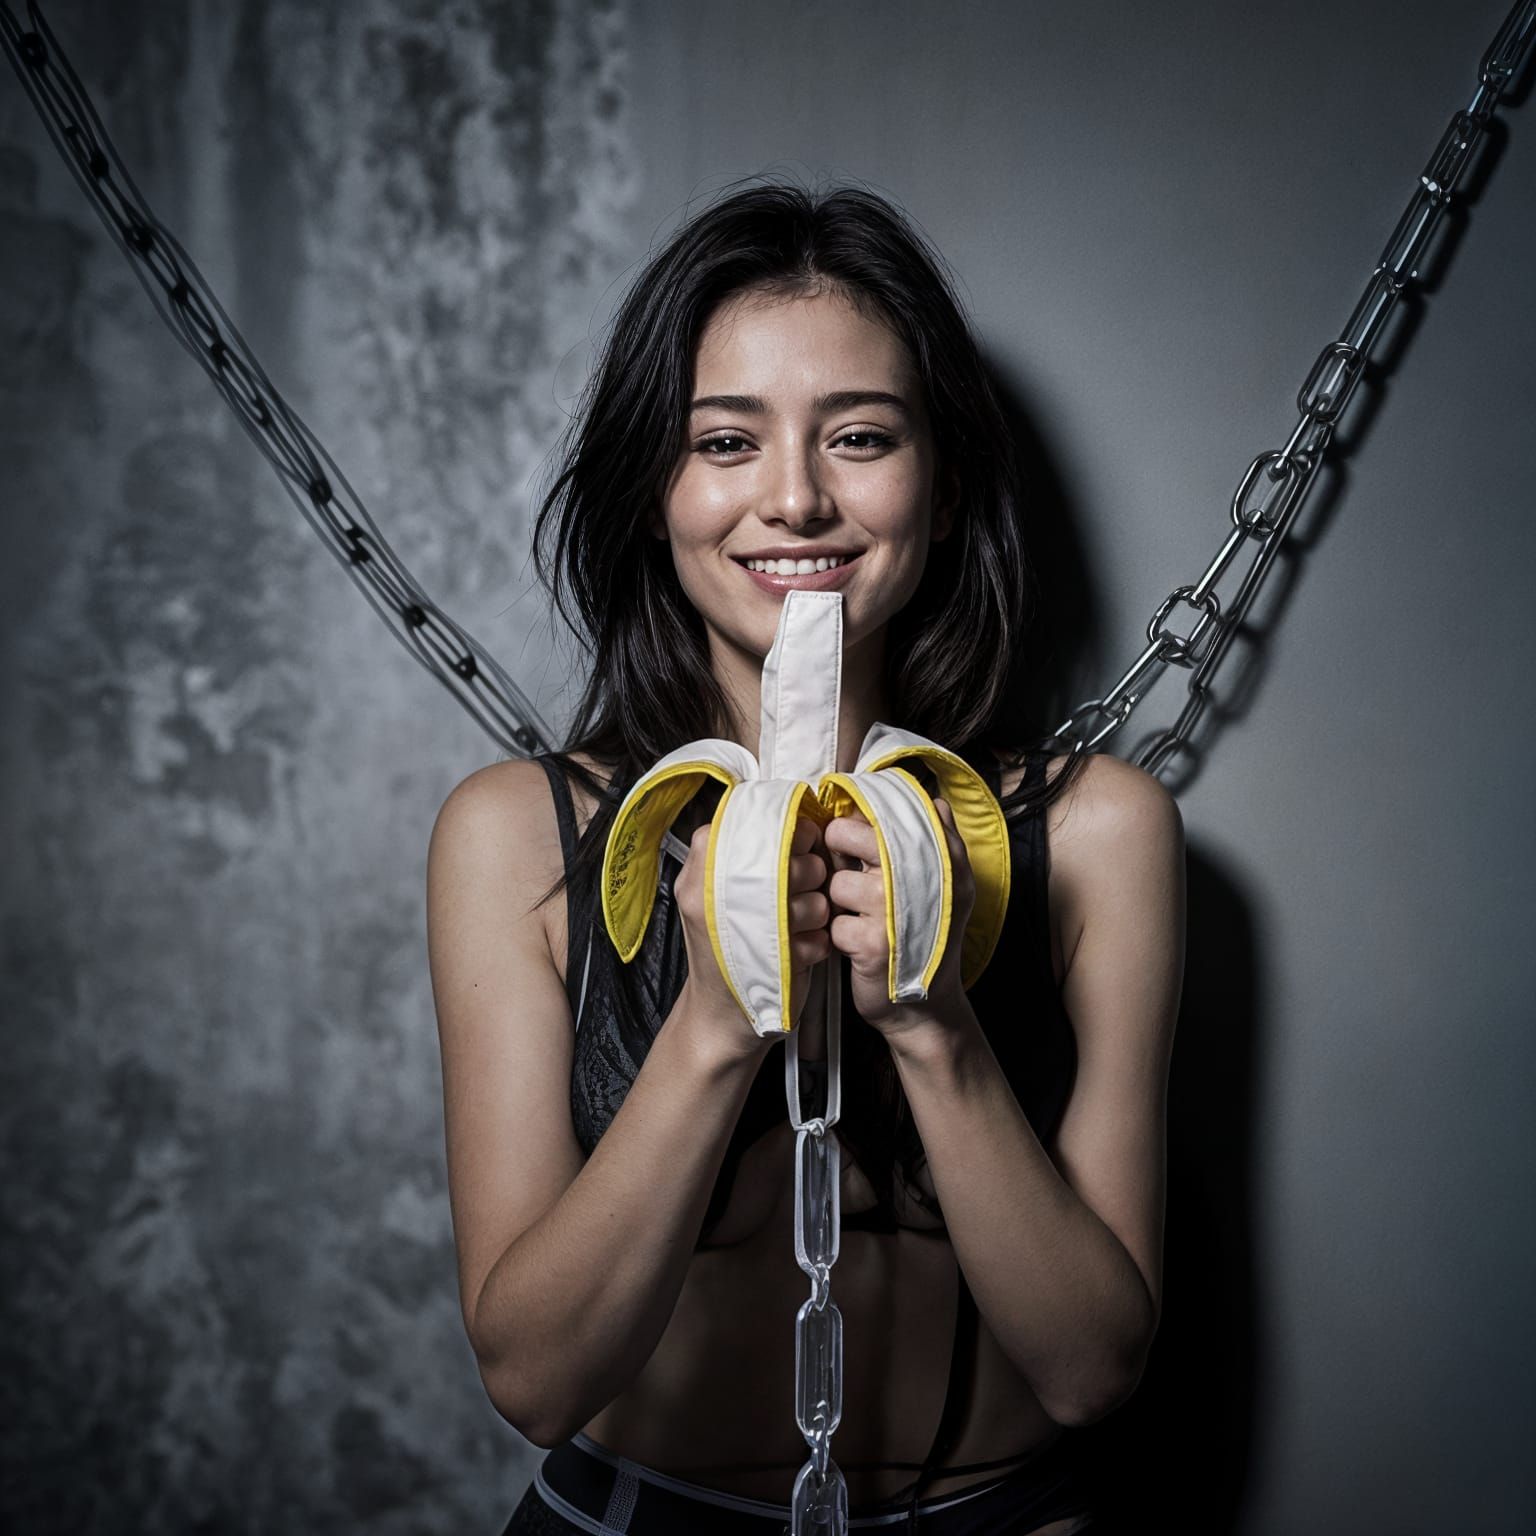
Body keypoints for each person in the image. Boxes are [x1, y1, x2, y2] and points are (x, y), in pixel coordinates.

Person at [425, 177, 1185, 1535]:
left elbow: (1091, 1371)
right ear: (652, 493)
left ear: (942, 492)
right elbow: (534, 1381)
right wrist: (714, 1024)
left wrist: (933, 1025)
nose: (794, 499)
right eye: (725, 442)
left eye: (861, 437)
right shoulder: (513, 839)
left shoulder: (1098, 833)